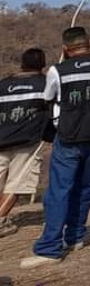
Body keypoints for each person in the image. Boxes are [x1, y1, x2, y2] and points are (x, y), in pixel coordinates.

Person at [22, 27, 90, 268]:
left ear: (65, 48)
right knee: (84, 187)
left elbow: (48, 97)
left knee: (59, 192)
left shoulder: (58, 70)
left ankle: (49, 248)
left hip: (68, 136)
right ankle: (75, 236)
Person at [0, 49, 51, 238]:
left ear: (22, 63)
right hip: (27, 142)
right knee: (16, 185)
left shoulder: (3, 84)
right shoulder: (44, 84)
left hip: (1, 139)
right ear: (42, 65)